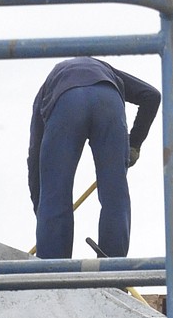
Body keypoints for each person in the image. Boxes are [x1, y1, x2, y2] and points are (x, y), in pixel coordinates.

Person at [28, 57, 161, 260]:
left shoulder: (46, 90)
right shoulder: (108, 72)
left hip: (66, 102)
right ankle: (113, 270)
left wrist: (41, 208)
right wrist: (134, 144)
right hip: (109, 100)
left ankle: (53, 273)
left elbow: (35, 158)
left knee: (54, 195)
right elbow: (152, 96)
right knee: (115, 194)